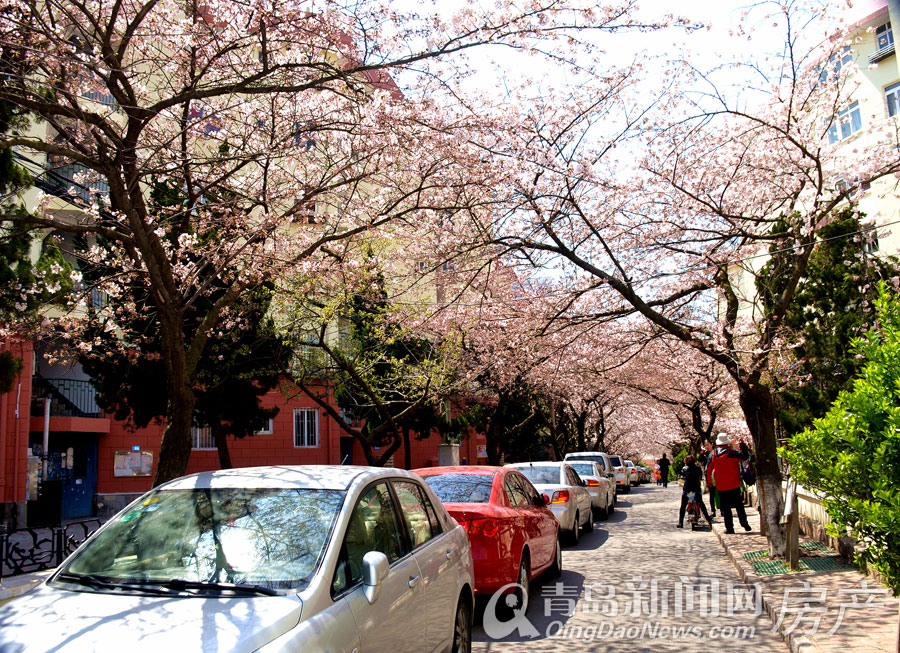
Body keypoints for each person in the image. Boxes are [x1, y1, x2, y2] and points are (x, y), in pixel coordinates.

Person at [706, 432, 752, 534]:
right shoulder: (732, 453)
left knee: (726, 508)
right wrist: (742, 445)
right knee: (739, 505)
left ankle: (730, 528)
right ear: (727, 443)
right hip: (734, 483)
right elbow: (745, 457)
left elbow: (708, 470)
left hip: (721, 485)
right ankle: (744, 522)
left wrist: (709, 482)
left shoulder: (712, 455)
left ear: (717, 443)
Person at [677, 455, 713, 527]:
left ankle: (680, 522)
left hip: (688, 490)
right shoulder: (698, 468)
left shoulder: (685, 469)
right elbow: (700, 476)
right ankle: (708, 519)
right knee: (701, 504)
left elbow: (683, 475)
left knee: (683, 506)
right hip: (696, 489)